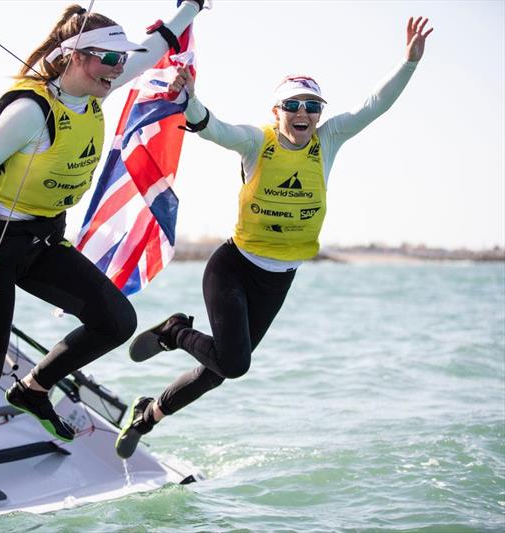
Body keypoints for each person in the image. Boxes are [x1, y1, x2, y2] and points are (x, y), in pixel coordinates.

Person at [0, 1, 208, 524]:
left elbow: (156, 44)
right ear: (74, 57)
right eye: (108, 60)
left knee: (116, 320)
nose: (119, 69)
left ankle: (33, 388)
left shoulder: (100, 84)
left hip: (44, 241)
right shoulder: (31, 111)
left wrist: (192, 6)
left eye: (121, 61)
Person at [116, 17, 433, 459]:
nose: (303, 113)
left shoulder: (329, 140)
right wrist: (187, 99)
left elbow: (373, 105)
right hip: (232, 267)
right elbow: (212, 127)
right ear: (277, 111)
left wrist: (409, 63)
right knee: (234, 363)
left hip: (278, 279)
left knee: (218, 370)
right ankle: (174, 330)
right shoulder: (255, 143)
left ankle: (147, 416)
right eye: (294, 105)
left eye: (312, 106)